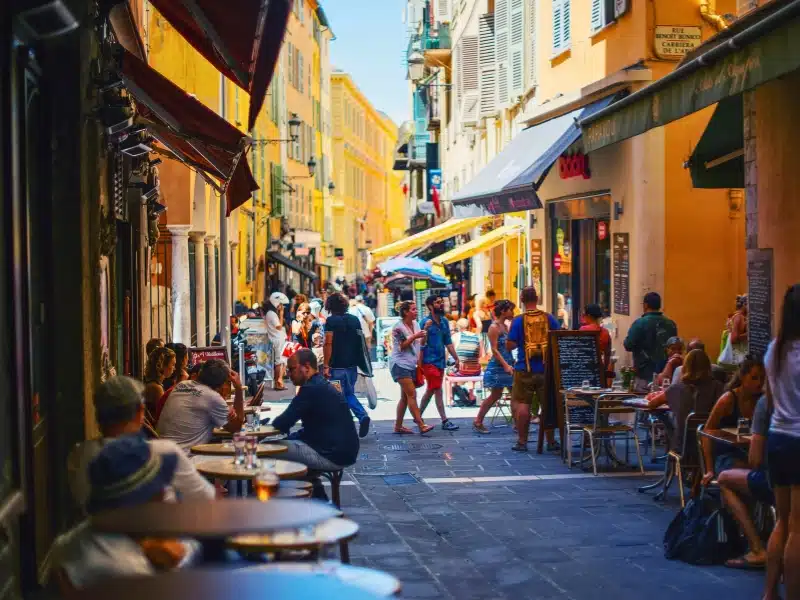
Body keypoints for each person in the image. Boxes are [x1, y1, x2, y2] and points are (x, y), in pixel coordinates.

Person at [54, 435, 195, 590]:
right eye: (161, 486)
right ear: (151, 498)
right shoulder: (137, 572)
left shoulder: (69, 541)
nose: (164, 493)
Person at [67, 376, 215, 511]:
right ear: (140, 412)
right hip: (161, 535)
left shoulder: (79, 455)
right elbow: (208, 499)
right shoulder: (163, 451)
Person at [273, 350, 360, 500]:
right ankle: (318, 496)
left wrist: (267, 432)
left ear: (306, 367)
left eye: (292, 369)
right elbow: (310, 429)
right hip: (344, 451)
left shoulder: (310, 389)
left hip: (332, 454)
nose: (288, 374)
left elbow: (283, 422)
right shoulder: (319, 384)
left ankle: (284, 502)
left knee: (270, 450)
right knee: (288, 446)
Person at [763, 284, 800, 600]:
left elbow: (770, 398)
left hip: (778, 437)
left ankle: (769, 592)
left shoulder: (774, 350)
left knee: (782, 521)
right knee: (798, 530)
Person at [716, 393, 773, 570]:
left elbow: (755, 459)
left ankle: (757, 549)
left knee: (724, 478)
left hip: (778, 482)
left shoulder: (767, 402)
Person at [506, 286, 560, 452]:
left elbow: (510, 345)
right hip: (546, 369)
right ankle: (551, 442)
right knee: (548, 405)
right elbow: (559, 339)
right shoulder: (548, 318)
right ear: (537, 299)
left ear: (522, 300)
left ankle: (522, 442)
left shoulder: (518, 320)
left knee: (523, 404)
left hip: (524, 368)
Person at [156, 359, 244, 451]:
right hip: (184, 458)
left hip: (161, 454)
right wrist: (238, 388)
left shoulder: (182, 385)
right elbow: (236, 428)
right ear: (221, 385)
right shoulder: (212, 397)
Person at [702, 357, 764, 483]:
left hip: (752, 455)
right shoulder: (728, 399)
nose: (759, 383)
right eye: (754, 378)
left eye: (763, 378)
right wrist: (709, 469)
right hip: (727, 456)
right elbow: (706, 432)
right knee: (755, 475)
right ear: (742, 376)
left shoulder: (763, 401)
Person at [649, 349, 723, 452]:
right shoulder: (718, 387)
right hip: (713, 445)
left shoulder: (676, 389)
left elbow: (652, 404)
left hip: (683, 446)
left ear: (685, 366)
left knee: (670, 425)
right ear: (708, 366)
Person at [322, 292, 371, 438]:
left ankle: (350, 423)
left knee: (338, 397)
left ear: (330, 306)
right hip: (351, 366)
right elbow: (360, 343)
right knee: (348, 394)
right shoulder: (355, 320)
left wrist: (325, 365)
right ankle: (358, 418)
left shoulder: (330, 321)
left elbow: (328, 343)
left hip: (336, 367)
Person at [390, 301, 434, 435]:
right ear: (405, 312)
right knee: (412, 395)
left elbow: (420, 344)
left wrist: (424, 333)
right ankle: (421, 424)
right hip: (400, 364)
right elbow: (402, 346)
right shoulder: (398, 328)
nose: (416, 311)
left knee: (405, 397)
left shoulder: (415, 324)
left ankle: (398, 426)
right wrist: (416, 335)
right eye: (413, 309)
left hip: (410, 364)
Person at [473, 300, 516, 434]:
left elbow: (508, 346)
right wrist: (506, 366)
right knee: (496, 395)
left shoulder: (505, 326)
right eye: (510, 309)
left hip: (508, 363)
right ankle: (478, 421)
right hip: (499, 366)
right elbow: (495, 350)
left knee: (515, 394)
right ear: (503, 311)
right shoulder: (494, 327)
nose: (513, 312)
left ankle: (518, 423)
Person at [418, 295, 460, 431]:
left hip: (440, 361)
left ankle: (417, 415)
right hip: (428, 361)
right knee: (437, 390)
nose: (441, 304)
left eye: (441, 302)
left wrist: (456, 358)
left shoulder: (444, 322)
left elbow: (448, 342)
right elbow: (420, 344)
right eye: (437, 302)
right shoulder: (424, 322)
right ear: (430, 306)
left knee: (431, 390)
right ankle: (444, 420)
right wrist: (425, 329)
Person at [623, 291, 678, 392]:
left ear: (645, 305)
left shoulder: (639, 323)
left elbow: (628, 345)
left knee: (643, 403)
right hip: (666, 375)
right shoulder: (671, 324)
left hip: (644, 373)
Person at [579, 304, 613, 385]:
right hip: (599, 368)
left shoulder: (583, 330)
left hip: (585, 369)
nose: (583, 317)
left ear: (589, 316)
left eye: (584, 315)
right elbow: (607, 354)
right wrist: (604, 369)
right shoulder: (605, 332)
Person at [143, 346, 176, 422]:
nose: (174, 368)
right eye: (173, 364)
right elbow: (163, 415)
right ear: (162, 365)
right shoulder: (156, 388)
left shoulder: (153, 383)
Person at [266, 291, 289, 391]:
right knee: (279, 361)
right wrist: (281, 314)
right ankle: (278, 383)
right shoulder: (271, 314)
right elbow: (279, 326)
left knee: (282, 361)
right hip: (277, 340)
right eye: (280, 304)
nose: (281, 306)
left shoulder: (271, 313)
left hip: (278, 339)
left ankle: (279, 382)